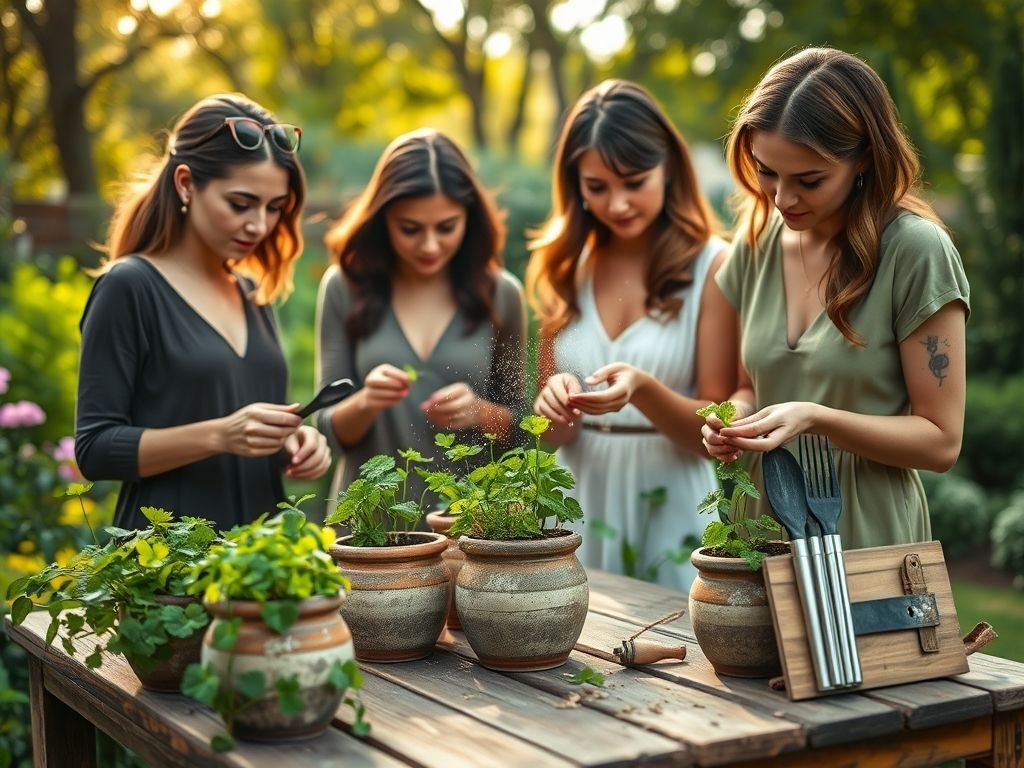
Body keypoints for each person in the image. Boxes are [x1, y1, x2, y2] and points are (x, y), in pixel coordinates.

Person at [701, 48, 969, 549]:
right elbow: (750, 385)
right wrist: (733, 420)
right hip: (759, 526)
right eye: (767, 172)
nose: (782, 199)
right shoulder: (756, 240)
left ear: (864, 157)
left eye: (810, 180)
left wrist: (817, 419)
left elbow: (941, 441)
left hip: (865, 535)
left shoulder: (915, 251)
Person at [75, 94, 331, 530]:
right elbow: (95, 449)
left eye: (274, 208)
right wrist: (219, 434)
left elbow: (248, 419)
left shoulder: (251, 293)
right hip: (166, 563)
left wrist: (294, 440)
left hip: (261, 559)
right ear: (186, 184)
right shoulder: (129, 287)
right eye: (240, 203)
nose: (259, 225)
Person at [527, 80, 736, 590]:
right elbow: (553, 436)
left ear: (669, 168)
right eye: (597, 187)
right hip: (578, 496)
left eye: (634, 182)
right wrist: (551, 405)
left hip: (670, 498)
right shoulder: (564, 266)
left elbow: (716, 432)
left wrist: (643, 390)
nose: (617, 204)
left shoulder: (713, 266)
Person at [315, 129, 526, 507]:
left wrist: (480, 411)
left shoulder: (502, 294)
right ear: (383, 219)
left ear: (470, 218)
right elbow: (329, 431)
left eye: (446, 227)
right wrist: (367, 401)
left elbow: (520, 430)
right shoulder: (345, 287)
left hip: (469, 527)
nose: (429, 246)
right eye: (409, 229)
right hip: (368, 533)